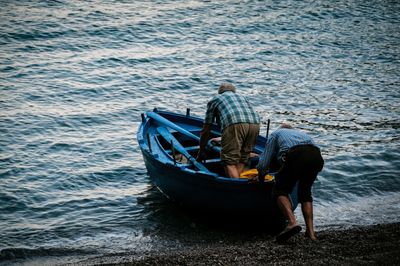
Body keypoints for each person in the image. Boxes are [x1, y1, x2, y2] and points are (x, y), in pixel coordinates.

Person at [257, 123, 324, 242]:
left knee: (280, 190)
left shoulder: (275, 134)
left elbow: (264, 162)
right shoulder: (301, 134)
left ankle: (292, 222)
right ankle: (311, 233)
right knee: (305, 193)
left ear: (280, 129)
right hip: (316, 156)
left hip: (297, 155)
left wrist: (260, 176)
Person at [196, 83, 260, 178]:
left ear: (220, 92)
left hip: (235, 123)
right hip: (255, 124)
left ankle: (236, 189)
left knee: (228, 161)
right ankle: (239, 182)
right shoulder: (242, 97)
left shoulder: (216, 99)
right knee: (243, 158)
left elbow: (206, 130)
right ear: (234, 91)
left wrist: (201, 152)